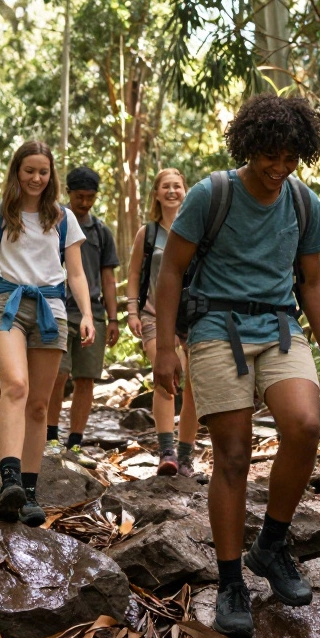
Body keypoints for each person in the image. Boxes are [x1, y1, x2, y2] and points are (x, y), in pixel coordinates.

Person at [152, 94, 320, 638]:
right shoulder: (211, 194)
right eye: (270, 156)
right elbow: (171, 271)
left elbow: (312, 281)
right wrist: (164, 348)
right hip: (217, 327)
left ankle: (272, 545)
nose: (279, 167)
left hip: (280, 326)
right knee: (233, 455)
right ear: (249, 147)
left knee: (305, 425)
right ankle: (231, 581)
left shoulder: (304, 202)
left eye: (290, 157)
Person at [0, 141, 95, 528]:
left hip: (51, 309)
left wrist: (87, 314)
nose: (36, 178)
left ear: (51, 175)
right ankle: (9, 479)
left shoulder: (63, 219)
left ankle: (29, 492)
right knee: (16, 386)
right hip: (4, 304)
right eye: (29, 171)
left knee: (39, 405)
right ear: (17, 172)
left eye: (43, 171)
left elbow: (76, 273)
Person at [125, 168, 199, 476]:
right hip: (154, 314)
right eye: (165, 187)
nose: (171, 191)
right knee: (165, 377)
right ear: (156, 194)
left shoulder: (196, 229)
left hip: (192, 317)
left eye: (177, 186)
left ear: (185, 191)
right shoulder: (148, 233)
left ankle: (186, 455)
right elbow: (133, 274)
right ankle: (166, 452)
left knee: (194, 386)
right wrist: (131, 311)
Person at [44, 166, 119, 468]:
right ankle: (50, 436)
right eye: (79, 197)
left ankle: (75, 441)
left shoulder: (101, 232)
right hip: (57, 310)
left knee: (86, 378)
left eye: (90, 197)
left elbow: (108, 278)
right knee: (57, 375)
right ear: (68, 194)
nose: (85, 203)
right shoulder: (52, 223)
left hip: (93, 313)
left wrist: (113, 319)